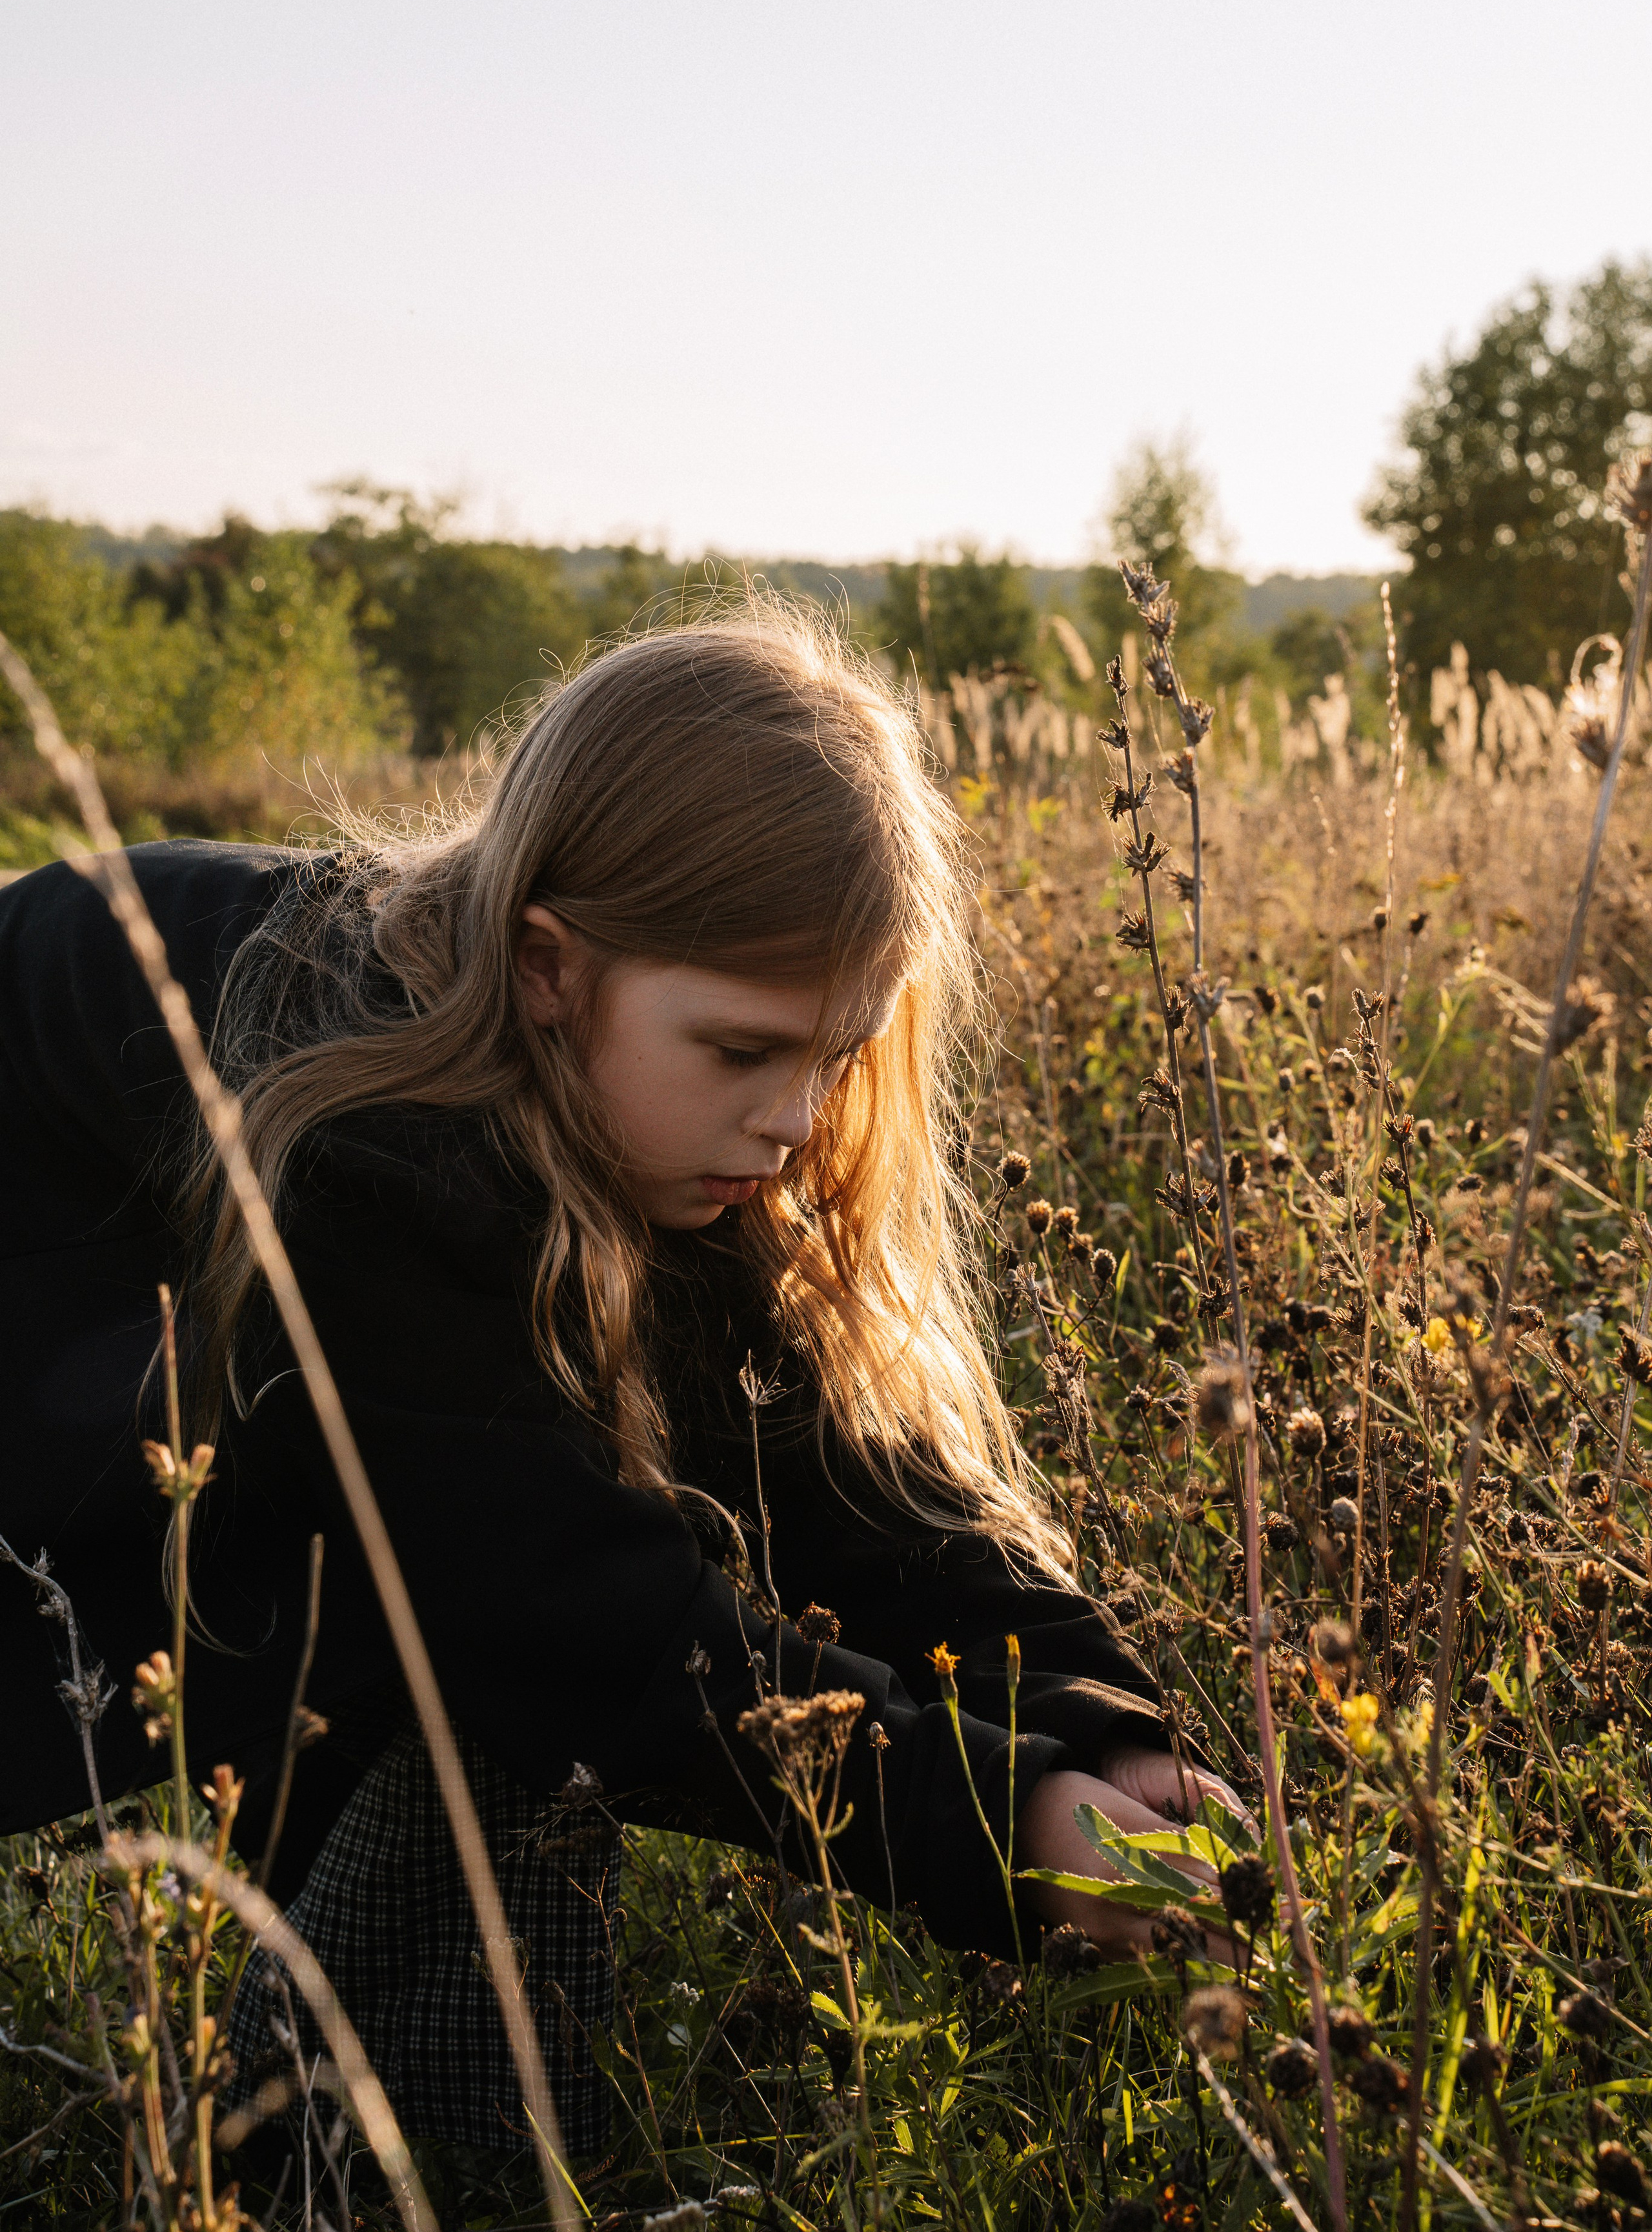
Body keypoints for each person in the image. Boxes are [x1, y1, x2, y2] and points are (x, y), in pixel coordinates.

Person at [0, 601, 1236, 2154]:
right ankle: (341, 2149)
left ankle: (363, 2116)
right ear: (546, 968)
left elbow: (833, 1474)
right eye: (740, 1051)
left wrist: (1095, 1708)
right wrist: (1002, 1827)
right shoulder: (376, 1146)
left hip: (133, 1306)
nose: (795, 1115)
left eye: (836, 1057)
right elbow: (582, 1618)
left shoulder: (644, 1120)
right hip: (41, 1300)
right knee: (453, 1604)